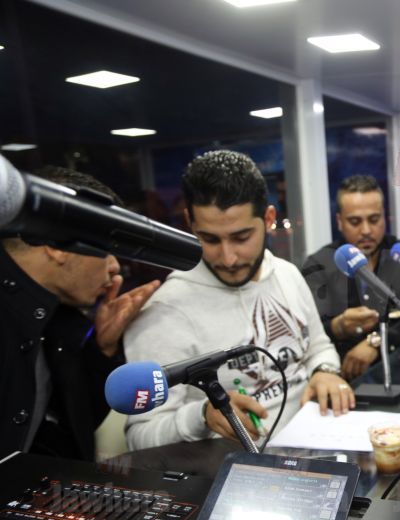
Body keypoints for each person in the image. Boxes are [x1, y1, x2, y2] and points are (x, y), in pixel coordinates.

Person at [124, 150, 351, 451]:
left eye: (241, 237)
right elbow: (140, 436)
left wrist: (325, 371)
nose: (228, 258)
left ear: (269, 219)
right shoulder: (164, 312)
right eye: (210, 239)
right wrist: (201, 416)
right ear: (190, 222)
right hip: (231, 468)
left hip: (318, 446)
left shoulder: (287, 274)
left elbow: (318, 347)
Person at [0, 166, 159, 460]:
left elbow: (71, 435)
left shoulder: (56, 320)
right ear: (57, 245)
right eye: (105, 248)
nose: (115, 266)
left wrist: (101, 349)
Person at [302, 175, 400, 380]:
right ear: (339, 222)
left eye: (374, 220)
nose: (366, 230)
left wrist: (378, 341)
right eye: (355, 222)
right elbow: (307, 334)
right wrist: (339, 327)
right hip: (343, 380)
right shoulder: (319, 265)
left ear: (385, 217)